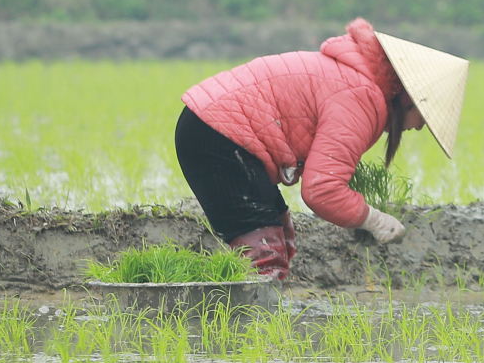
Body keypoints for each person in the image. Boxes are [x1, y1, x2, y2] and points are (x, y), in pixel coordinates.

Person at [176, 18, 468, 279]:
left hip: (213, 128)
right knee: (264, 252)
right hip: (218, 134)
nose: (417, 128)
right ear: (408, 100)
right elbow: (322, 189)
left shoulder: (357, 82)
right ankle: (252, 328)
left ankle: (254, 318)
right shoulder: (362, 97)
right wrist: (375, 220)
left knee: (279, 231)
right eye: (423, 120)